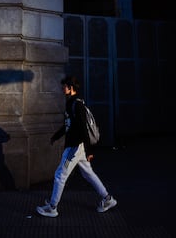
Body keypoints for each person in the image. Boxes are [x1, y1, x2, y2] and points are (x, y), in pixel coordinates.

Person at [36, 75, 117, 217]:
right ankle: (107, 199)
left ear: (70, 87)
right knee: (88, 174)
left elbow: (83, 129)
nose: (62, 88)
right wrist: (56, 136)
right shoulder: (71, 103)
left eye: (64, 86)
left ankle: (52, 207)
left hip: (74, 147)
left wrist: (89, 150)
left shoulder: (76, 104)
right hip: (77, 147)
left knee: (60, 175)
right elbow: (68, 125)